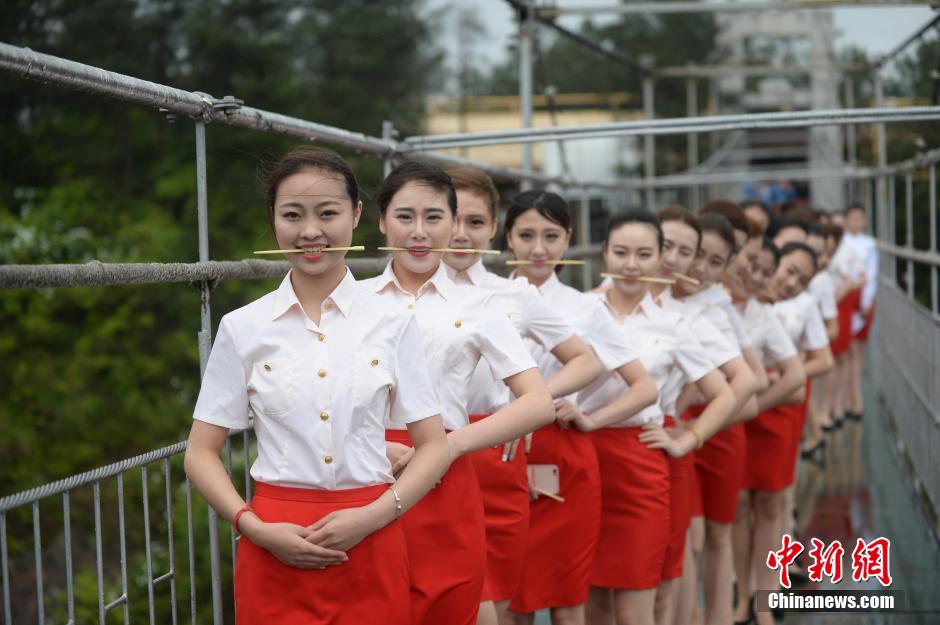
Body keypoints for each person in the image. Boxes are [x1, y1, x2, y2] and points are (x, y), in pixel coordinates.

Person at [184, 147, 452, 625]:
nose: (310, 231)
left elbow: (432, 447)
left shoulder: (394, 323)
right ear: (273, 221)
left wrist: (373, 517)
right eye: (293, 215)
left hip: (372, 538)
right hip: (274, 538)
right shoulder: (243, 327)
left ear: (356, 214)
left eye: (327, 213)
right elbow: (200, 453)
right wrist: (255, 528)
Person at [360, 160, 556, 625]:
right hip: (364, 472)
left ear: (451, 222)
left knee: (453, 604)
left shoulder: (479, 306)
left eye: (434, 217)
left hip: (447, 480)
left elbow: (538, 400)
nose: (419, 232)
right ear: (381, 221)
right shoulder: (351, 300)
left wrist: (446, 446)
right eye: (405, 217)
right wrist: (373, 444)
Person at [440, 164, 603, 625]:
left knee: (504, 603)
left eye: (474, 223)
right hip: (425, 452)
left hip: (497, 453)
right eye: (448, 218)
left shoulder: (511, 295)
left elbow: (585, 360)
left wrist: (525, 405)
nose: (460, 233)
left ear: (494, 229)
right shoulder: (400, 294)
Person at [504, 191, 659, 625]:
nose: (539, 249)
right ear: (508, 237)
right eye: (527, 235)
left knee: (568, 598)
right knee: (510, 595)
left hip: (565, 456)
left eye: (551, 236)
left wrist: (591, 418)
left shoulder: (585, 307)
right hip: (499, 449)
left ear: (568, 238)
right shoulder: (486, 299)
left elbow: (644, 387)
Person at [580, 209, 736, 625]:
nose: (632, 265)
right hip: (582, 457)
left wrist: (689, 438)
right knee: (590, 602)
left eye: (644, 254)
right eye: (622, 252)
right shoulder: (578, 310)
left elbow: (724, 393)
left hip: (640, 461)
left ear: (656, 258)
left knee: (639, 603)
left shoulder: (674, 323)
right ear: (604, 253)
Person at [739, 242, 834, 625]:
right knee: (737, 505)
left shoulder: (801, 306)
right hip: (735, 407)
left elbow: (822, 360)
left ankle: (763, 595)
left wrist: (779, 376)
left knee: (770, 503)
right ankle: (741, 589)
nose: (790, 281)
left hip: (776, 404)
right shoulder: (738, 299)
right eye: (787, 269)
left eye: (802, 278)